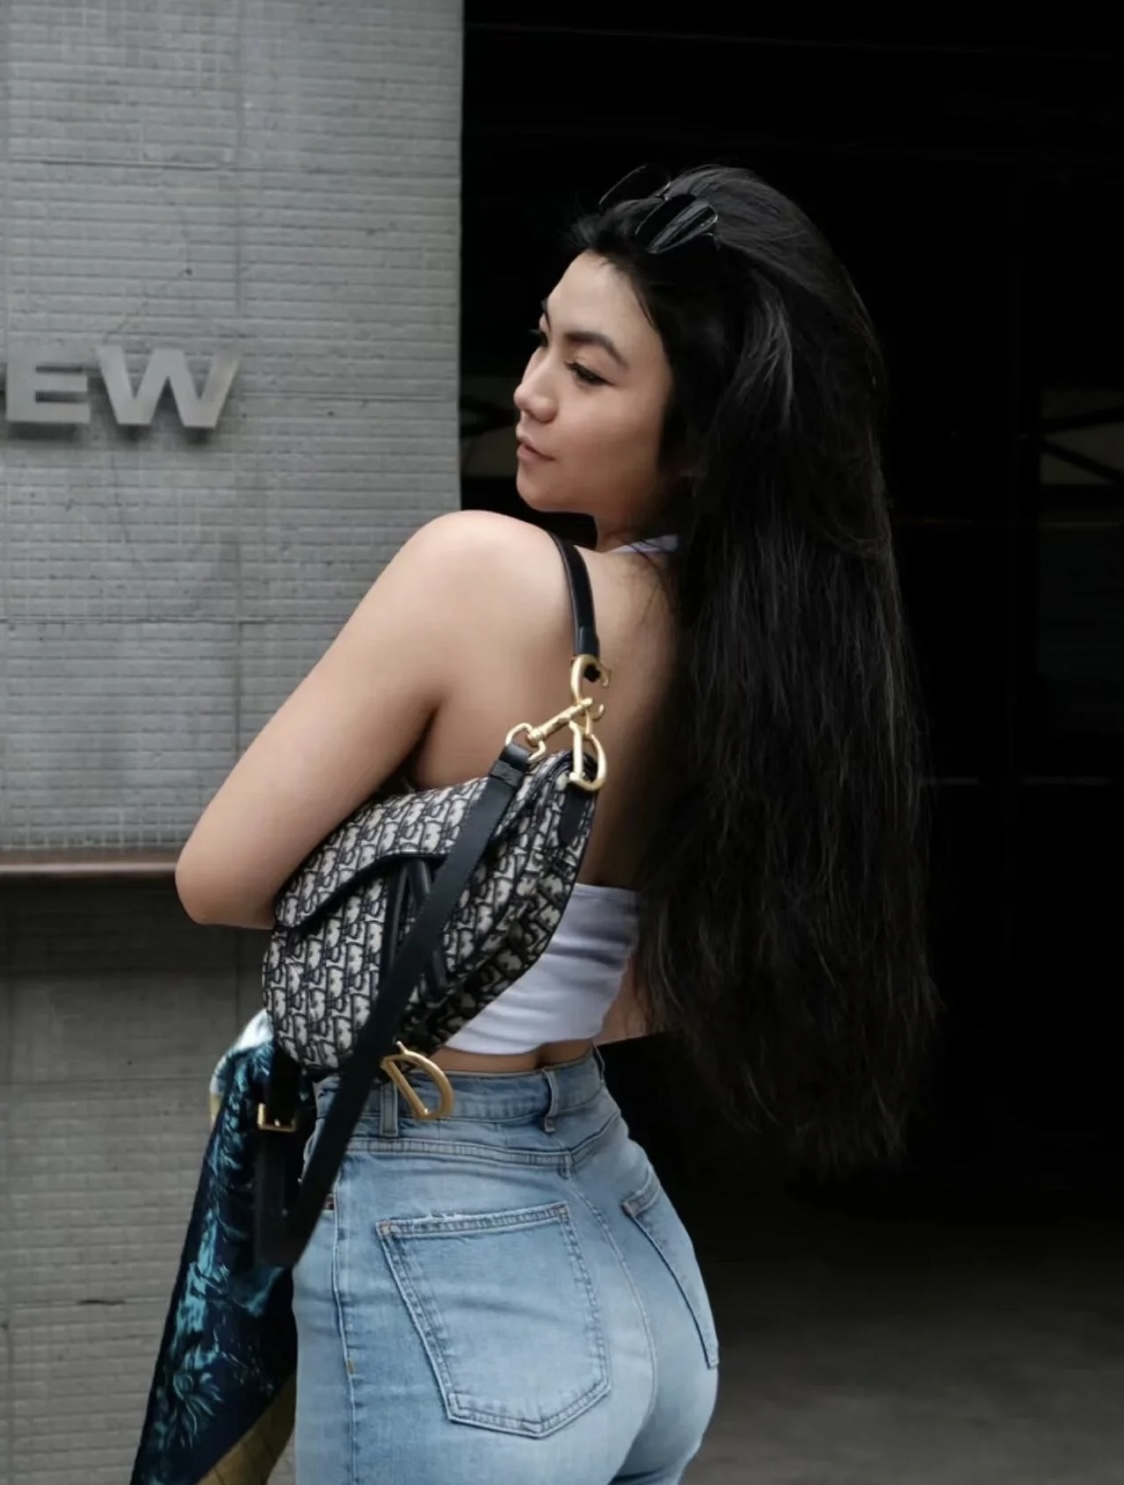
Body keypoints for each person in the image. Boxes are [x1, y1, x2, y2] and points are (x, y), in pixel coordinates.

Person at [175, 163, 938, 1484]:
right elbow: (698, 961)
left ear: (699, 439)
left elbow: (218, 875)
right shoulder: (781, 661)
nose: (529, 390)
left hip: (447, 1239)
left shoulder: (484, 574)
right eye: (541, 341)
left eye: (588, 371)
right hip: (628, 1244)